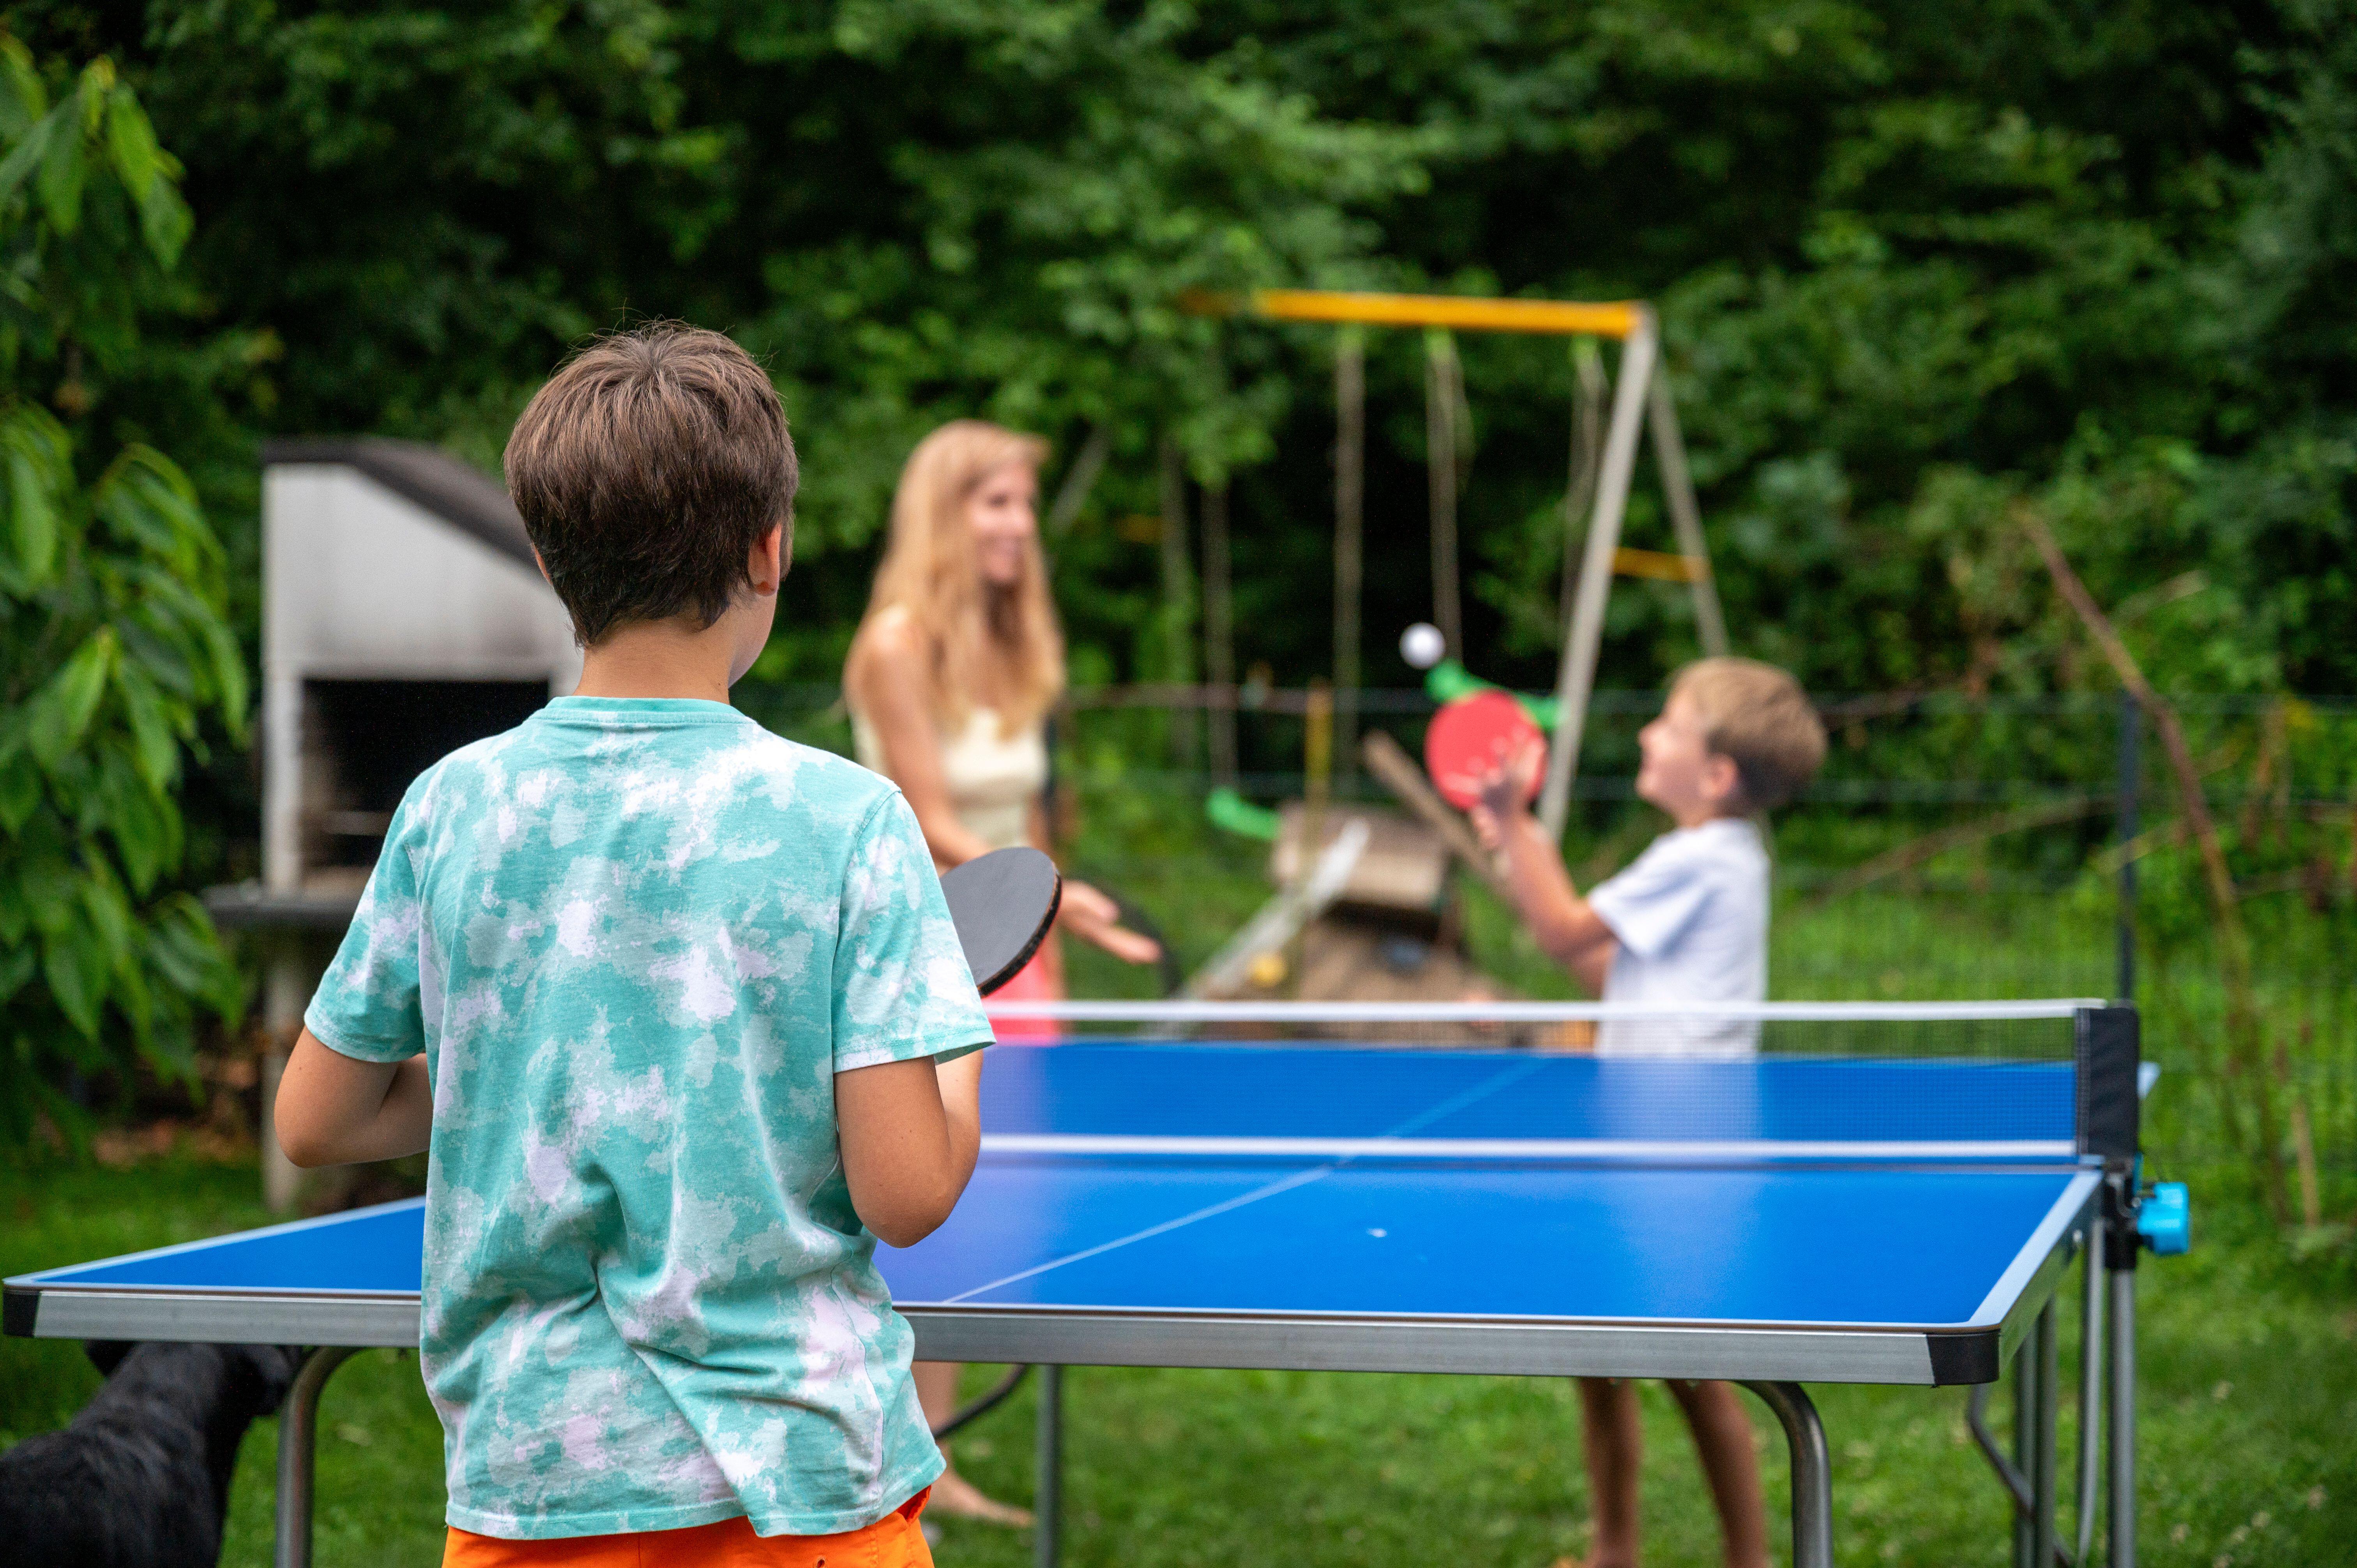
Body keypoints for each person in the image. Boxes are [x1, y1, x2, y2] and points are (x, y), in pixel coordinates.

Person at [272, 325, 991, 1568]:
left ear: (549, 560)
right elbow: (910, 1191)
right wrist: (959, 1044)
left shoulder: (453, 804)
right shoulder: (850, 819)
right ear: (770, 550)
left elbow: (318, 1122)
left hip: (530, 1489)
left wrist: (539, 1090)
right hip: (804, 1499)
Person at [843, 418, 1159, 1527]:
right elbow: (926, 819)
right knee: (931, 1196)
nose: (1020, 526)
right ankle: (901, 1453)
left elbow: (1018, 815)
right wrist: (1042, 890)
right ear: (945, 514)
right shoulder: (895, 644)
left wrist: (1053, 924)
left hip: (1019, 953)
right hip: (928, 947)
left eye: (1024, 503)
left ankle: (931, 1452)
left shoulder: (1014, 647)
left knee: (996, 1198)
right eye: (997, 504)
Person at [1464, 656, 1826, 1568]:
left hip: (1675, 1149)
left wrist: (1514, 821)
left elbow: (1560, 930)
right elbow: (1607, 975)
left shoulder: (1698, 857)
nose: (1645, 735)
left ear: (1716, 775)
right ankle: (1614, 1550)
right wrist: (1515, 850)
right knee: (1601, 1351)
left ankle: (1748, 1558)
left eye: (1668, 724)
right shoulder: (1728, 857)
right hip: (1646, 1135)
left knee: (1692, 1370)